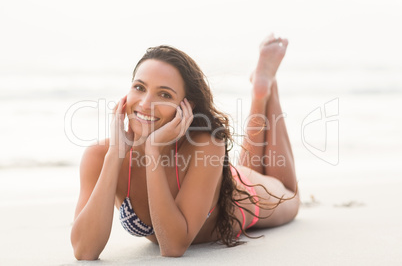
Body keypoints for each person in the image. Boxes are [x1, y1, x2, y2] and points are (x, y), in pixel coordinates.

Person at [70, 34, 300, 260]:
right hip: (216, 178)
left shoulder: (206, 146)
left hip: (247, 196)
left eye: (164, 94)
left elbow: (172, 246)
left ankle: (266, 88)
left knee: (291, 194)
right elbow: (84, 250)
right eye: (139, 87)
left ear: (185, 107)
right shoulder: (99, 156)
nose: (145, 103)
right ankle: (261, 90)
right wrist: (114, 156)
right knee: (248, 164)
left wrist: (153, 151)